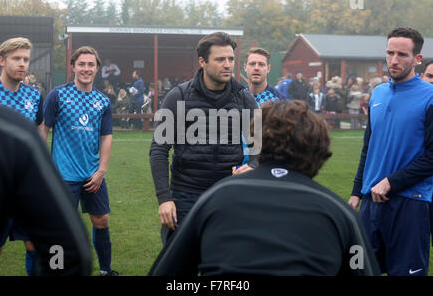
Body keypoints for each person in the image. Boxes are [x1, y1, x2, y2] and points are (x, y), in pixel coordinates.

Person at [149, 100, 380, 276]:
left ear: (257, 142)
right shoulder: (341, 213)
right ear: (320, 150)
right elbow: (361, 267)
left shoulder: (216, 198)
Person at [149, 32, 259, 245]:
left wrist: (254, 164)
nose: (227, 64)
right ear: (202, 61)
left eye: (231, 59)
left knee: (226, 268)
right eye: (220, 59)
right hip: (185, 197)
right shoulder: (177, 96)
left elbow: (261, 146)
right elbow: (159, 150)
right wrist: (164, 198)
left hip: (230, 196)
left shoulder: (245, 99)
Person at [348, 27, 433, 276]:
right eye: (390, 53)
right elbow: (369, 147)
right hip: (369, 204)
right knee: (358, 270)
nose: (394, 60)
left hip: (411, 205)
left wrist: (391, 182)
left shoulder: (430, 98)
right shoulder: (378, 93)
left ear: (417, 59)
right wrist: (356, 191)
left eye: (402, 55)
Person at [0, 98, 92, 276]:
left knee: (30, 243)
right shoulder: (12, 132)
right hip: (52, 173)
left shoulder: (15, 129)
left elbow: (61, 247)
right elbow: (66, 249)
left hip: (48, 176)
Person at [43, 46, 119, 276]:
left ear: (97, 68)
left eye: (91, 65)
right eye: (82, 64)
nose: (86, 69)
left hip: (92, 175)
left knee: (101, 220)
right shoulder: (58, 95)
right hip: (63, 175)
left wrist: (101, 171)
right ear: (73, 66)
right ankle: (56, 270)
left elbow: (106, 137)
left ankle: (105, 270)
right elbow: (43, 129)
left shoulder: (102, 101)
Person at [0, 37, 45, 276]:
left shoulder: (34, 96)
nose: (22, 64)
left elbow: (39, 128)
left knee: (34, 244)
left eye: (26, 59)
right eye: (16, 59)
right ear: (1, 61)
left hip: (26, 187)